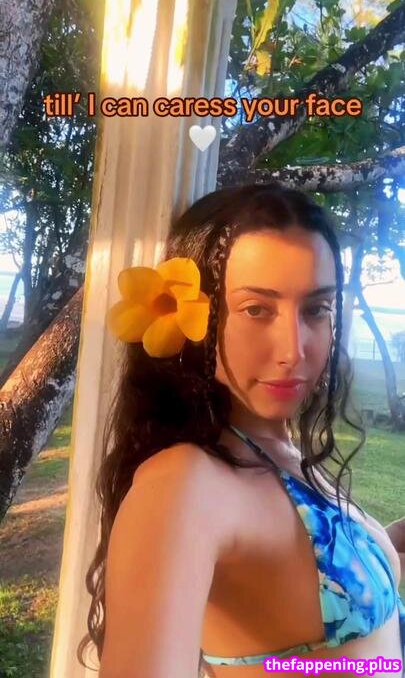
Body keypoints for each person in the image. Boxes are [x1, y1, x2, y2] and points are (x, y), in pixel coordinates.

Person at [77, 182, 405, 678]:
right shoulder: (183, 485)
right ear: (196, 321)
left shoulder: (279, 451)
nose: (294, 349)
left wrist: (386, 542)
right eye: (256, 309)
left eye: (316, 309)